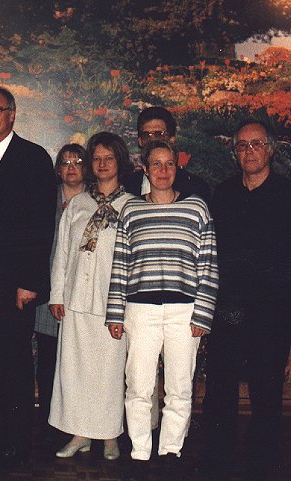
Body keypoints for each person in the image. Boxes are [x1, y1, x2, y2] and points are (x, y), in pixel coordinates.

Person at [106, 140, 217, 480]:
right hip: (140, 311)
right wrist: (115, 313)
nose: (164, 171)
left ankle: (171, 449)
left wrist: (203, 314)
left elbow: (208, 266)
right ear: (145, 168)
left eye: (170, 164)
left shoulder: (197, 209)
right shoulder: (132, 211)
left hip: (184, 313)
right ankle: (140, 451)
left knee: (180, 387)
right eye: (157, 164)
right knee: (138, 385)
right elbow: (120, 264)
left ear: (176, 168)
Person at [0, 86, 57, 471]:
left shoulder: (32, 158)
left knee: (14, 366)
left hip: (13, 286)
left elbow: (40, 226)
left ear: (12, 114)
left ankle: (16, 445)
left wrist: (30, 281)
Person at [202, 119, 291, 481]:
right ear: (234, 152)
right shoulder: (222, 194)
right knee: (219, 391)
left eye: (256, 144)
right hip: (228, 311)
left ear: (270, 149)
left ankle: (262, 464)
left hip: (272, 312)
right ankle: (215, 461)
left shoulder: (287, 194)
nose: (249, 151)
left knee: (265, 393)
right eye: (242, 145)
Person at [47, 134, 134, 461]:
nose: (101, 164)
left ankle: (110, 434)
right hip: (76, 300)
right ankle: (79, 433)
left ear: (119, 161)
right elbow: (63, 253)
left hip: (112, 303)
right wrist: (58, 293)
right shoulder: (79, 204)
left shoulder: (131, 205)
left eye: (108, 158)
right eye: (96, 158)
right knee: (75, 370)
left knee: (110, 371)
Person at [34, 143, 87, 425]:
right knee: (48, 359)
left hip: (82, 292)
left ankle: (76, 420)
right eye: (65, 162)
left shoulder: (93, 201)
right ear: (58, 169)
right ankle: (48, 420)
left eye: (77, 161)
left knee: (78, 360)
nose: (71, 167)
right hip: (48, 291)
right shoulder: (46, 200)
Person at [123, 106, 210, 202]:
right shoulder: (126, 188)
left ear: (172, 139)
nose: (153, 141)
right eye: (147, 135)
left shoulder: (195, 188)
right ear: (140, 141)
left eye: (159, 134)